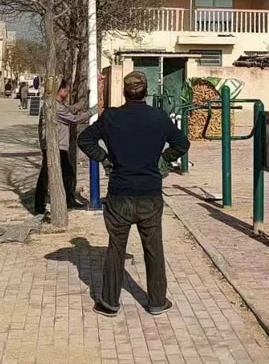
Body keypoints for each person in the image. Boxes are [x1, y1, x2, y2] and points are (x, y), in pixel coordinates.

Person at [78, 71, 190, 317]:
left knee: (116, 248)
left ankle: (109, 302)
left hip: (119, 194)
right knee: (154, 248)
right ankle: (157, 301)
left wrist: (105, 160)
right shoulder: (158, 117)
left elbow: (85, 140)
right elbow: (182, 144)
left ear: (124, 92)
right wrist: (163, 160)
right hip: (150, 194)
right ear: (146, 91)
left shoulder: (111, 117)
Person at [34, 79, 92, 215]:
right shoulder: (54, 106)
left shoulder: (57, 104)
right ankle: (61, 202)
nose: (68, 92)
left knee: (53, 174)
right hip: (56, 146)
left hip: (56, 145)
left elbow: (71, 109)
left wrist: (84, 101)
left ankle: (46, 204)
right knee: (60, 174)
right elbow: (74, 118)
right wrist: (92, 112)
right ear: (60, 91)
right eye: (66, 90)